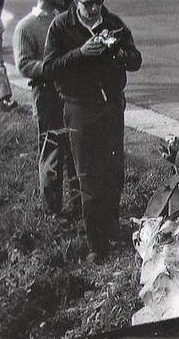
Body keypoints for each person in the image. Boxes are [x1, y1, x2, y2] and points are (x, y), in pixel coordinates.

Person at [43, 0, 142, 263]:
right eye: (88, 4)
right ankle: (96, 243)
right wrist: (81, 53)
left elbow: (136, 60)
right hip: (79, 107)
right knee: (88, 176)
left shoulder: (113, 23)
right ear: (76, 2)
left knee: (114, 172)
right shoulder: (61, 26)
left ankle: (112, 227)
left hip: (111, 106)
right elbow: (49, 68)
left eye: (98, 2)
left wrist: (119, 54)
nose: (94, 9)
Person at [13, 0, 79, 217]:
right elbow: (24, 64)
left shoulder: (65, 21)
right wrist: (52, 68)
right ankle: (52, 210)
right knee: (51, 150)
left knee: (75, 149)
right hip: (46, 94)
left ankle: (78, 205)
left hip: (69, 92)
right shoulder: (26, 26)